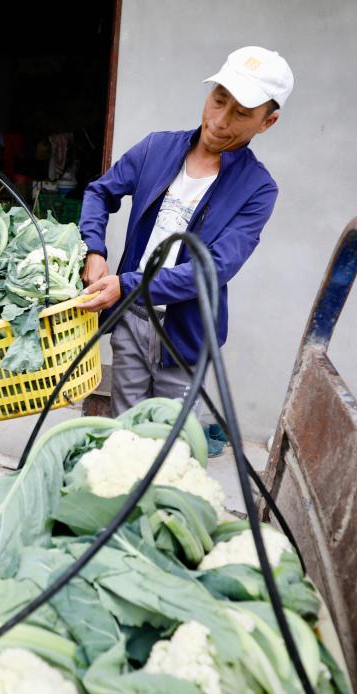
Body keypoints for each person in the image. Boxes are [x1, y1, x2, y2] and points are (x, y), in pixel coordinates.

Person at [78, 46, 294, 423]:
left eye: (240, 113)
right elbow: (101, 191)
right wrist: (94, 249)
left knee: (168, 439)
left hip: (185, 334)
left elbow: (213, 268)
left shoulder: (258, 188)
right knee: (123, 426)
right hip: (130, 320)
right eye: (218, 100)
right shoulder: (156, 149)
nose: (219, 121)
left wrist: (125, 285)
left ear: (267, 122)